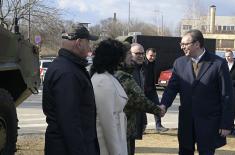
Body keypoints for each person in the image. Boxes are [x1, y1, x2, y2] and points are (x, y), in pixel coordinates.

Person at [160, 29, 234, 155]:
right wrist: (164, 105)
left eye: (185, 44)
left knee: (206, 152)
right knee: (184, 151)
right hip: (186, 121)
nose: (182, 47)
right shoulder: (179, 63)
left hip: (209, 121)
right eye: (181, 44)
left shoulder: (218, 63)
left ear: (197, 44)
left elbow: (227, 95)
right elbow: (172, 88)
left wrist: (226, 124)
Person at [42, 25, 100, 155]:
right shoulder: (68, 72)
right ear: (79, 43)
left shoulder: (66, 66)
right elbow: (69, 122)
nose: (90, 47)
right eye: (88, 42)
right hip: (67, 148)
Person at [115, 47, 163, 155]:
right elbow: (138, 98)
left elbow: (142, 94)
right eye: (137, 53)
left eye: (142, 53)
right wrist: (157, 110)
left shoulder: (140, 69)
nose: (140, 55)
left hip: (132, 121)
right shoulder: (124, 73)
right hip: (123, 122)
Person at [90, 39, 128, 155]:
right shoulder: (102, 81)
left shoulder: (107, 77)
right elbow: (107, 121)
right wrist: (116, 151)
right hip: (107, 144)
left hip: (116, 135)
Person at [143, 48, 168, 132]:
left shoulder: (154, 64)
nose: (152, 57)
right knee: (141, 109)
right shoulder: (142, 64)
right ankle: (141, 128)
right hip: (142, 90)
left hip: (152, 90)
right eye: (151, 56)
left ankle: (158, 126)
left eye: (154, 56)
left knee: (157, 106)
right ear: (146, 55)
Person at [224, 49, 235, 135]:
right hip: (225, 92)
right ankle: (230, 127)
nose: (227, 58)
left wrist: (230, 82)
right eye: (226, 56)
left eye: (229, 56)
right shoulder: (223, 64)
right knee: (227, 109)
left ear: (232, 56)